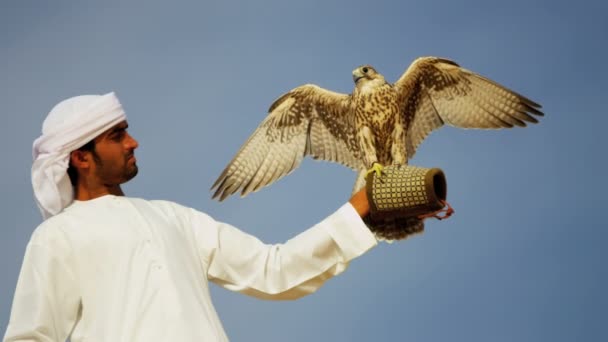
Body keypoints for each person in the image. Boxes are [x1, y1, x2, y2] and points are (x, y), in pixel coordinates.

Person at [3, 92, 395, 341]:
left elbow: (273, 270)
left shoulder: (174, 218)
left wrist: (364, 208)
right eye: (117, 135)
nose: (133, 141)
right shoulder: (57, 237)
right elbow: (30, 337)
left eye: (127, 131)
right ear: (81, 157)